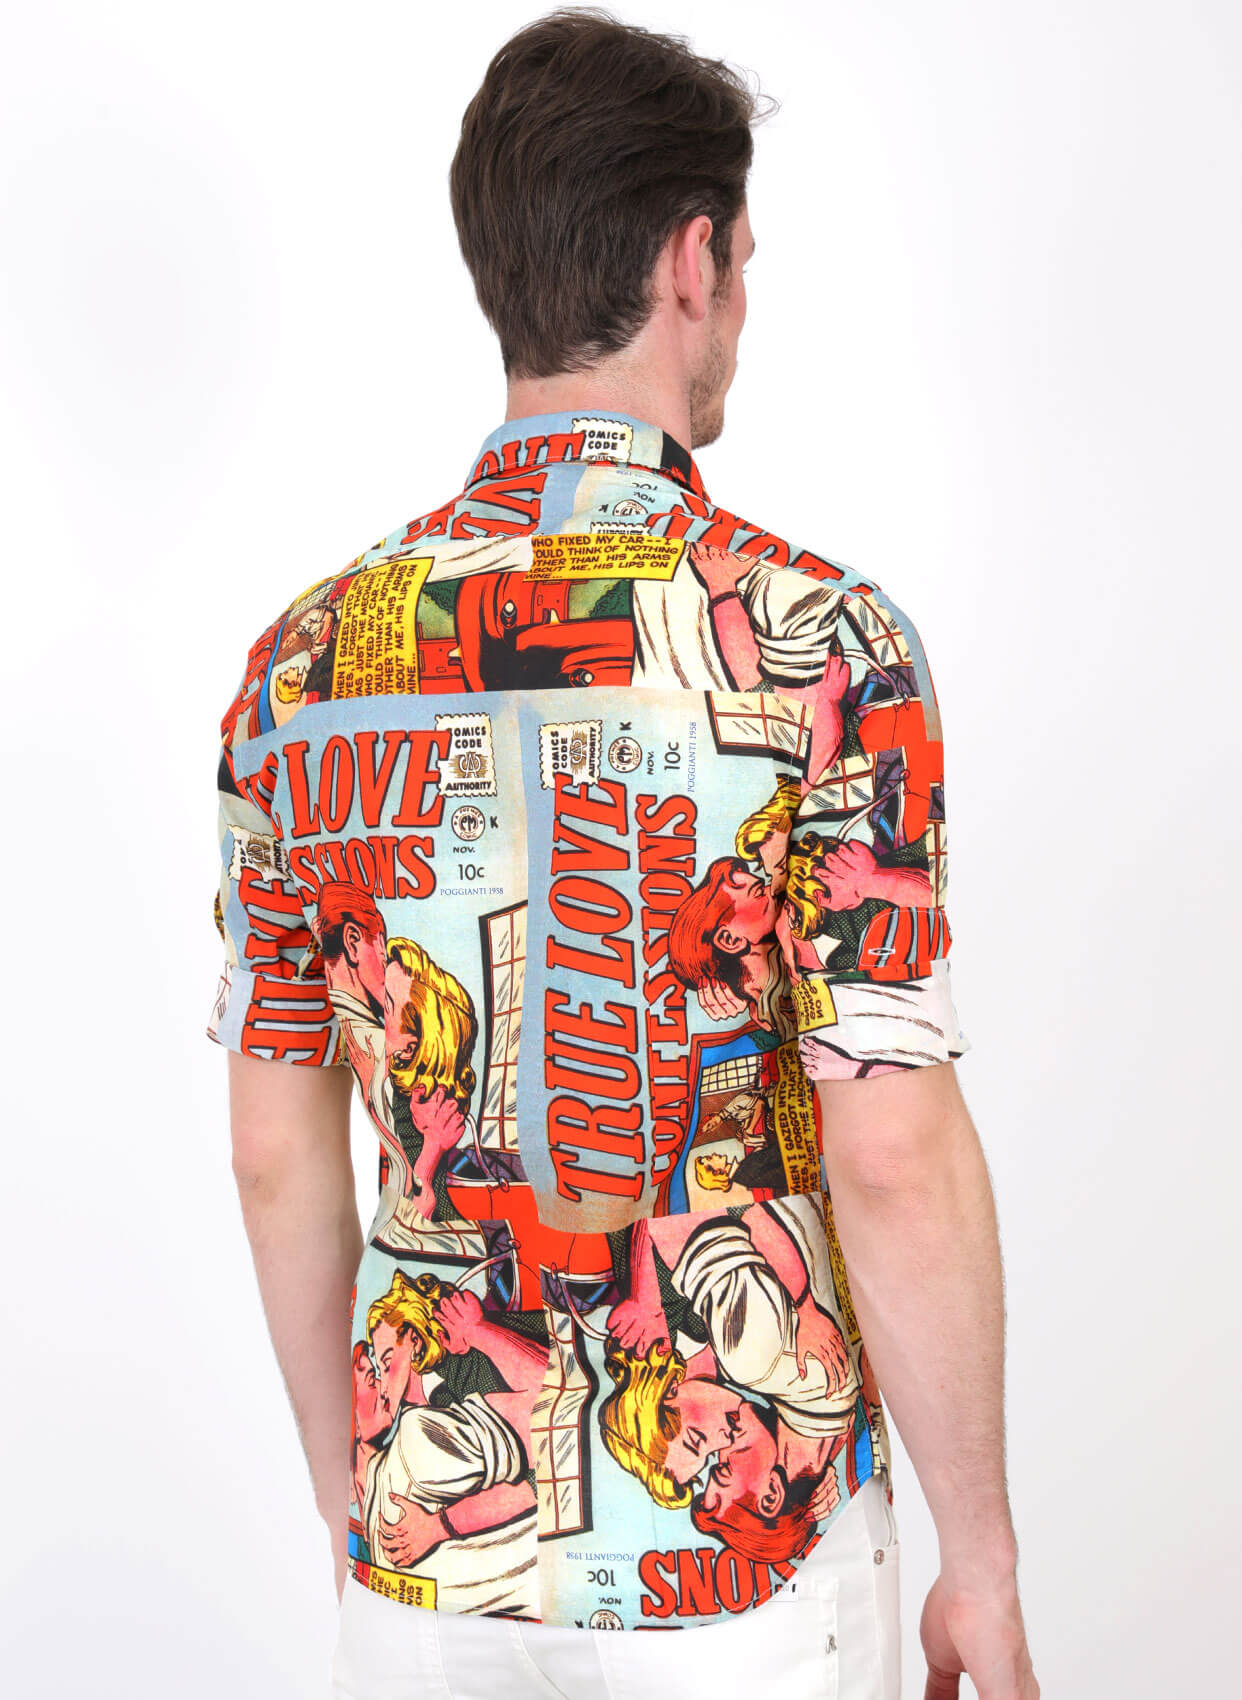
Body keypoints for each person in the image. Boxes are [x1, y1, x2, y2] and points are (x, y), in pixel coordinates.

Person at [206, 10, 1039, 1699]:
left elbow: (274, 1151)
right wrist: (982, 1563)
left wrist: (360, 1504)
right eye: (743, 261)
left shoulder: (298, 672)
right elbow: (889, 1151)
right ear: (691, 261)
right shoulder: (820, 647)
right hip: (749, 1566)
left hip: (429, 1555)